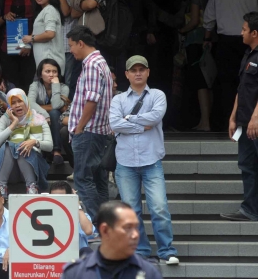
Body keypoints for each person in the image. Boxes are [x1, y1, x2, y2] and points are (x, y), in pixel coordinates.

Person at [109, 55, 179, 265]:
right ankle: (140, 251)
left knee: (159, 207)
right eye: (134, 70)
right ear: (127, 74)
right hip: (125, 163)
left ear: (148, 72)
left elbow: (155, 117)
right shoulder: (118, 99)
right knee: (131, 211)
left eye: (142, 69)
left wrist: (128, 119)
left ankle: (167, 251)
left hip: (151, 161)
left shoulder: (157, 95)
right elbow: (114, 124)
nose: (138, 73)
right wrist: (140, 124)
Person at [203, 0, 258, 129]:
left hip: (225, 42)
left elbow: (209, 18)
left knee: (227, 83)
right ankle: (250, 122)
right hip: (252, 41)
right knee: (251, 82)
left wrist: (207, 38)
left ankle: (229, 123)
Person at [67, 25, 112, 221]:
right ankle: (107, 225)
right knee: (99, 180)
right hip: (100, 131)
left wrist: (79, 128)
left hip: (89, 131)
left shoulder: (92, 65)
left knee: (83, 178)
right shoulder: (101, 62)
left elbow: (92, 100)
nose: (70, 50)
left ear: (81, 43)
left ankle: (99, 222)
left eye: (71, 45)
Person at [61, 201, 163, 279]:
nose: (135, 235)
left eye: (136, 227)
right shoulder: (76, 273)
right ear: (105, 230)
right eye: (127, 227)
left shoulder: (149, 272)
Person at [221, 12, 258, 222]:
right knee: (247, 164)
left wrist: (256, 118)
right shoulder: (248, 54)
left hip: (256, 122)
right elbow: (241, 88)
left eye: (244, 29)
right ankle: (250, 209)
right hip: (245, 122)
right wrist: (233, 118)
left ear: (254, 32)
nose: (241, 32)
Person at [0, 88, 52, 196]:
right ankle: (1, 188)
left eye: (20, 101)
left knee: (20, 144)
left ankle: (32, 187)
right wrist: (13, 124)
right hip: (12, 172)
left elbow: (49, 146)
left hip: (35, 168)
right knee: (9, 145)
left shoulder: (39, 119)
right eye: (13, 103)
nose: (17, 105)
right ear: (9, 106)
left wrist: (34, 142)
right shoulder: (6, 119)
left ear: (26, 101)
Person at [178, 0, 212, 131]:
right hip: (207, 40)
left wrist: (181, 30)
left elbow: (194, 21)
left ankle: (204, 122)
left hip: (196, 39)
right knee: (207, 79)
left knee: (200, 82)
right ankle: (206, 120)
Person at [28, 59, 70, 165]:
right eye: (47, 71)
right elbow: (30, 103)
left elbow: (55, 105)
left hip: (58, 122)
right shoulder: (35, 85)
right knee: (52, 113)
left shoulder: (64, 88)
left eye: (54, 72)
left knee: (55, 113)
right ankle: (45, 152)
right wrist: (45, 114)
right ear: (40, 74)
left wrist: (56, 85)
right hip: (39, 120)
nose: (51, 74)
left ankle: (56, 151)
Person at [22, 0, 65, 74]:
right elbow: (38, 32)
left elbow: (50, 34)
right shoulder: (44, 10)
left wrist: (31, 38)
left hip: (50, 64)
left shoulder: (49, 10)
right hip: (45, 64)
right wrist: (27, 45)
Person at [53, 0, 82, 92]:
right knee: (53, 80)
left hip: (68, 44)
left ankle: (69, 110)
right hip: (53, 42)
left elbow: (66, 12)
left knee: (69, 80)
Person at [49, 181, 94, 252]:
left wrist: (77, 205)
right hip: (52, 257)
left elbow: (88, 231)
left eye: (61, 198)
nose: (57, 201)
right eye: (53, 197)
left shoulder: (80, 216)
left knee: (87, 251)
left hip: (77, 256)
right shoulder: (43, 216)